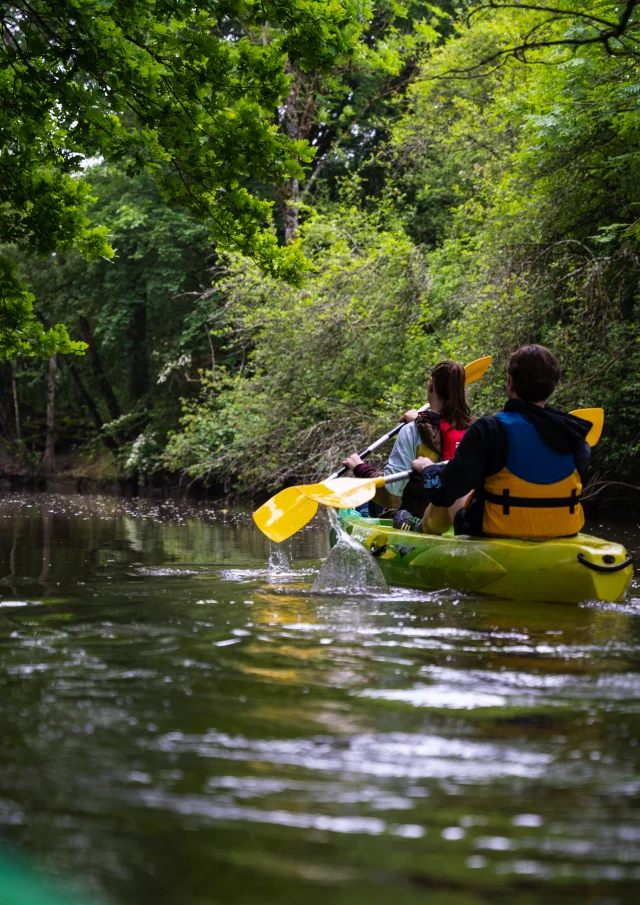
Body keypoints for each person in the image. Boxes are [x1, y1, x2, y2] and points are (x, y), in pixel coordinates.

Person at [399, 345, 591, 539]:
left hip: (495, 532)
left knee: (457, 491)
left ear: (510, 382)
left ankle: (419, 534)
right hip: (564, 532)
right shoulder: (576, 434)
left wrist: (428, 469)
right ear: (553, 388)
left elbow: (442, 493)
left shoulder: (489, 430)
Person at [341, 360, 474, 529]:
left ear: (431, 385)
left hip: (421, 520)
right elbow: (442, 429)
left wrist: (360, 468)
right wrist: (421, 418)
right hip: (464, 518)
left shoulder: (413, 431)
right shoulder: (476, 430)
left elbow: (391, 492)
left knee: (364, 505)